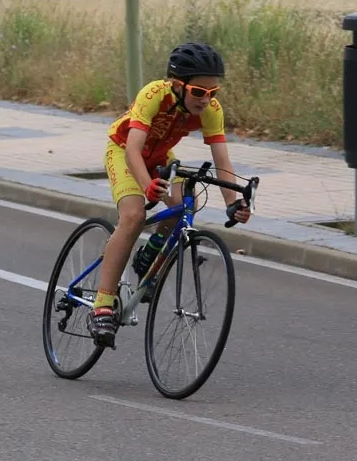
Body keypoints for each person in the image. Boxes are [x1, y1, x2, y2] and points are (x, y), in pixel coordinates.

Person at [92, 42, 252, 348]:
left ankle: (149, 254)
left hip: (161, 157)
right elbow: (134, 150)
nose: (206, 99)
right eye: (198, 92)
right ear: (177, 86)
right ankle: (102, 305)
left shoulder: (211, 110)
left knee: (184, 204)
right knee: (133, 216)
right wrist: (146, 185)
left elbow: (222, 160)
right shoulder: (154, 94)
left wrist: (233, 203)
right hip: (124, 151)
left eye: (213, 92)